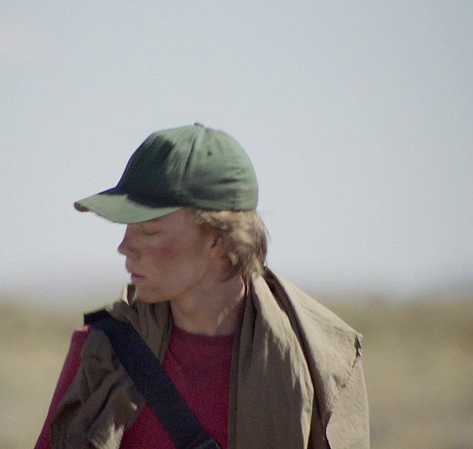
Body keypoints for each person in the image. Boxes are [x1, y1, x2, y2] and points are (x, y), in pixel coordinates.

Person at [34, 123, 369, 449]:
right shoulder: (101, 352)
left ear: (219, 240)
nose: (124, 247)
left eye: (149, 231)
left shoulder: (318, 364)